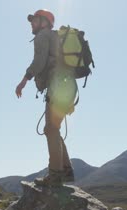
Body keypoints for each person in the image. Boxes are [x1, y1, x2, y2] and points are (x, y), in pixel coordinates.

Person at [15, 9, 78, 187]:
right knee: (54, 128)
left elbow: (39, 61)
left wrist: (23, 81)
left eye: (34, 20)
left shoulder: (43, 36)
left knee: (50, 128)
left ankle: (56, 174)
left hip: (57, 86)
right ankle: (66, 170)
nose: (31, 23)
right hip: (68, 86)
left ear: (44, 22)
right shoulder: (55, 37)